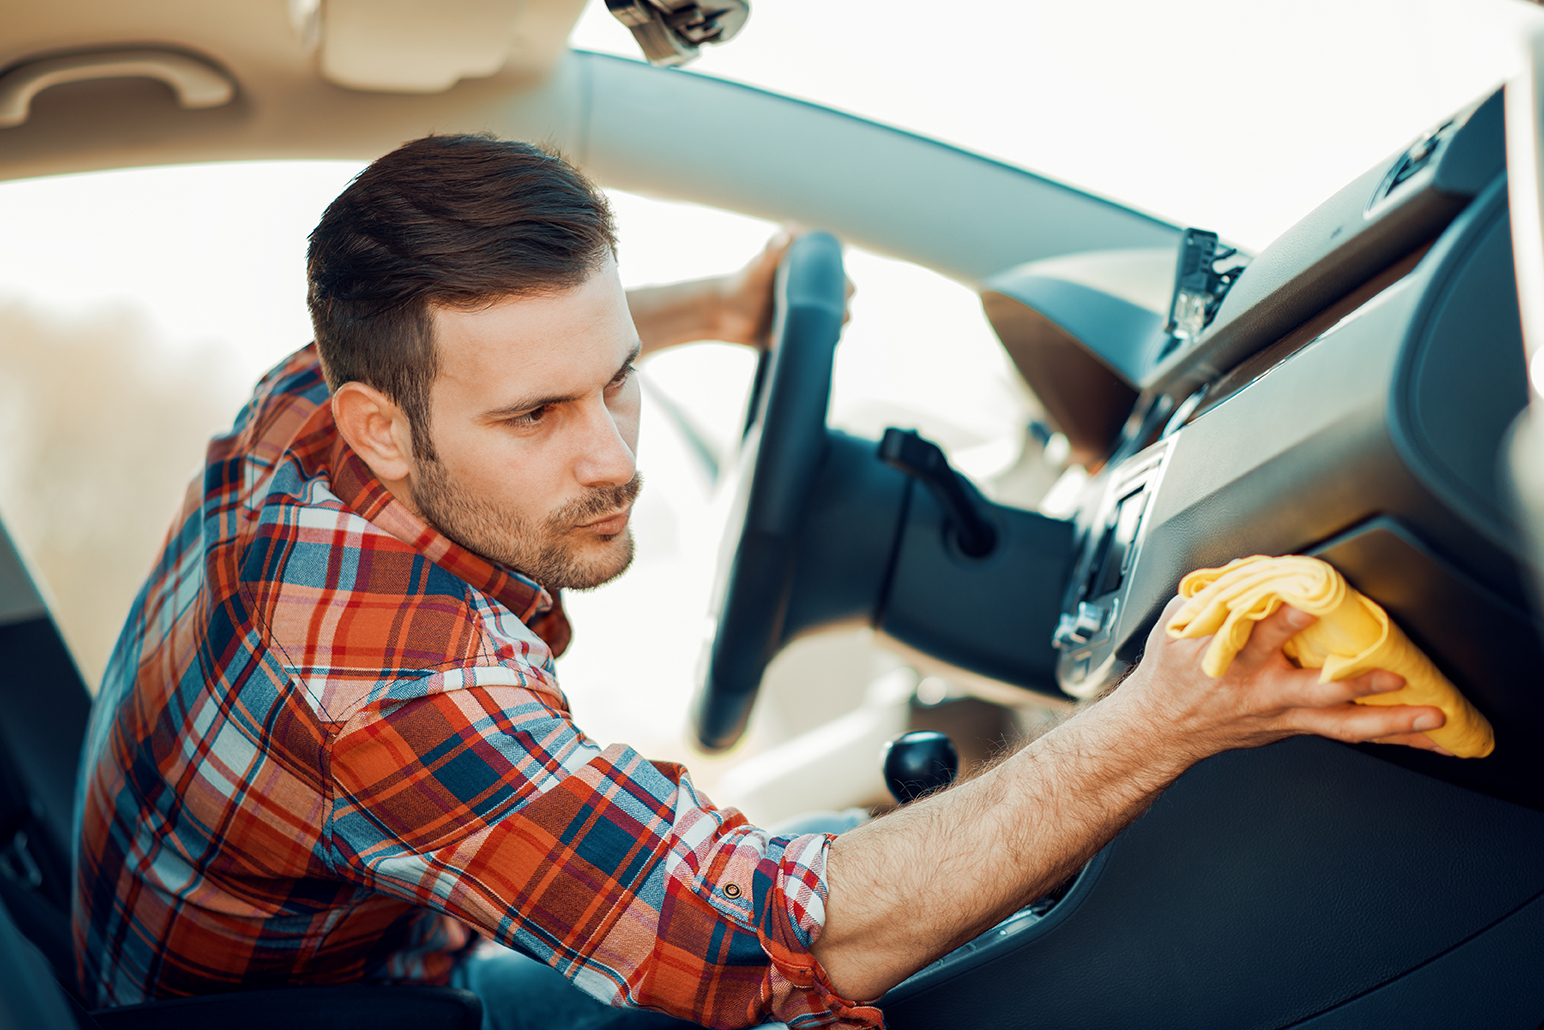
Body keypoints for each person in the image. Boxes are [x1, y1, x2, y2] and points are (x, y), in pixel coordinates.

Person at [71, 134, 1449, 1030]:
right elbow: (772, 942)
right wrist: (1164, 718)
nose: (614, 458)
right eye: (537, 418)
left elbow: (536, 347)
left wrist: (720, 305)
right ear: (383, 424)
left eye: (618, 373)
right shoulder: (394, 682)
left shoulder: (308, 401)